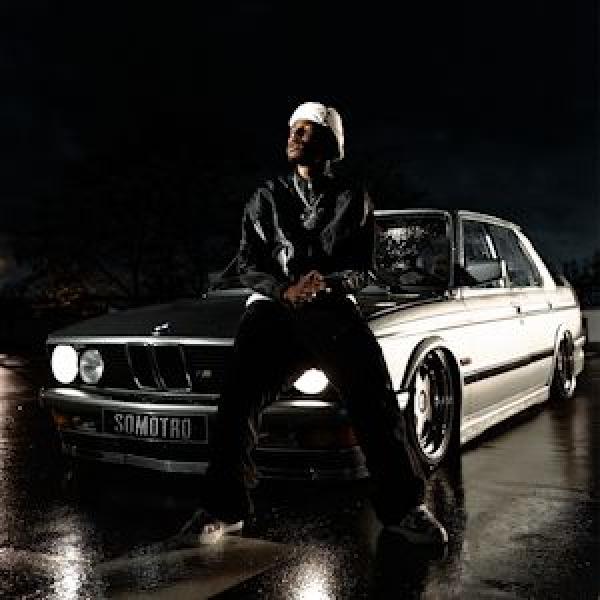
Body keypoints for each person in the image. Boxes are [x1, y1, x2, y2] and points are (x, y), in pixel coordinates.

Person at [181, 101, 447, 546]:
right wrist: (284, 290)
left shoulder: (353, 198)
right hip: (273, 307)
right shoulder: (265, 197)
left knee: (375, 397)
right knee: (238, 396)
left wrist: (326, 283)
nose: (295, 135)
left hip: (330, 307)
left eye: (307, 130)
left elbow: (363, 268)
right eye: (292, 128)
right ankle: (224, 508)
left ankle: (404, 508)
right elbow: (247, 264)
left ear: (331, 144)